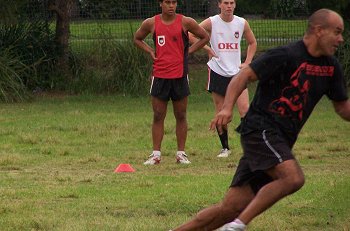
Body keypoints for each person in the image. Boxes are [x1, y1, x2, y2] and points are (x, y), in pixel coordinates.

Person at [172, 9, 350, 230]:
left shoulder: (330, 68)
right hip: (260, 130)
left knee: (229, 208)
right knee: (292, 178)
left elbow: (343, 108)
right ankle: (237, 226)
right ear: (319, 30)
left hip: (279, 140)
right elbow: (243, 76)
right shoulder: (285, 55)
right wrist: (227, 108)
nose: (341, 39)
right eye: (337, 32)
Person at [134, 0, 209, 165]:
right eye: (167, 2)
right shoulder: (151, 23)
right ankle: (155, 155)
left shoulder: (186, 22)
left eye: (174, 2)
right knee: (158, 115)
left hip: (179, 75)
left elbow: (204, 37)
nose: (171, 5)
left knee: (181, 115)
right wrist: (150, 51)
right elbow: (137, 38)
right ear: (160, 3)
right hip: (160, 75)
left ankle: (181, 154)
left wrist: (189, 51)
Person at [190, 0, 257, 158]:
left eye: (231, 3)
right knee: (221, 112)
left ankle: (251, 148)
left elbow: (252, 43)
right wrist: (206, 48)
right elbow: (191, 35)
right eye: (225, 3)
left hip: (237, 73)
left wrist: (247, 62)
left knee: (245, 110)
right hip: (217, 71)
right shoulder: (212, 22)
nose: (229, 6)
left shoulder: (242, 23)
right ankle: (225, 148)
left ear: (235, 5)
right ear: (219, 5)